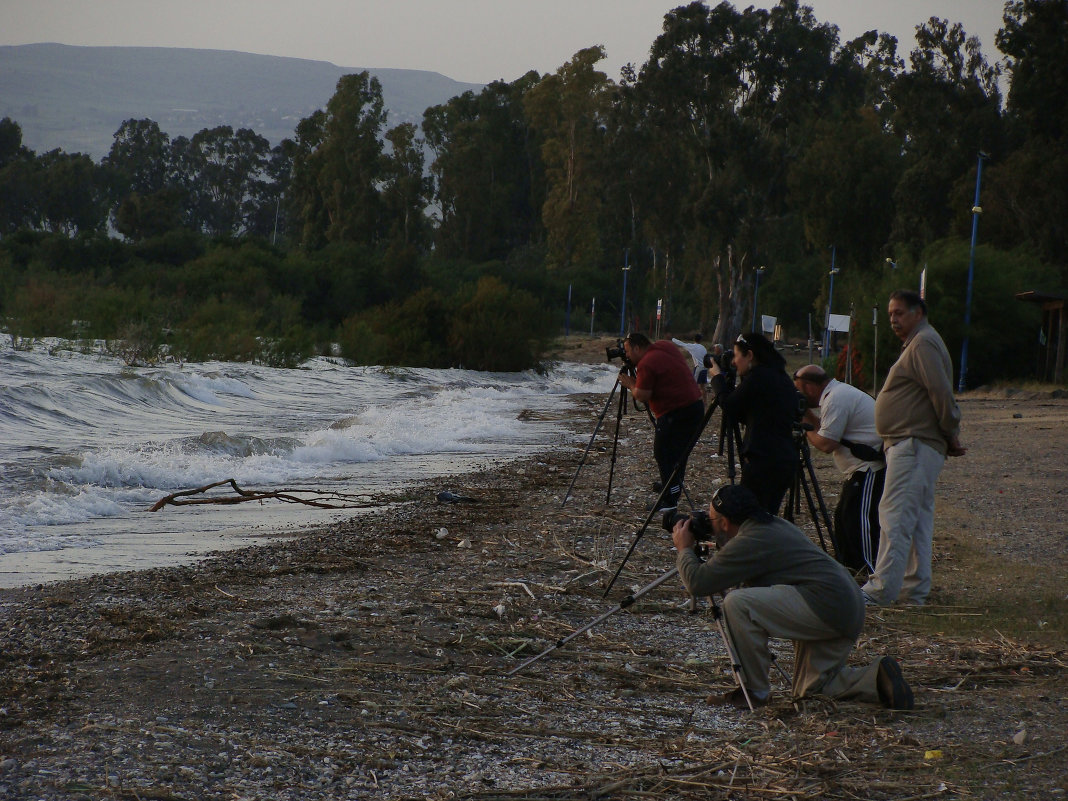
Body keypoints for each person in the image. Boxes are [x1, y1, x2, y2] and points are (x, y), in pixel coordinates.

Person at [671, 484, 914, 710]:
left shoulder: (751, 540)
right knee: (809, 692)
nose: (707, 524)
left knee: (737, 604)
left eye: (710, 519)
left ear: (724, 523)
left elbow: (697, 583)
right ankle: (877, 678)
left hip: (826, 603)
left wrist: (684, 549)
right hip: (845, 605)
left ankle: (753, 692)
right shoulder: (771, 526)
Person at [862, 290, 967, 607]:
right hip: (914, 443)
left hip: (914, 443)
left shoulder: (923, 343)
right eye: (891, 313)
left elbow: (940, 392)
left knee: (895, 516)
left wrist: (951, 430)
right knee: (917, 519)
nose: (893, 318)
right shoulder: (920, 342)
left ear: (918, 313)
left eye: (899, 313)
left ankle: (882, 590)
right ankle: (913, 590)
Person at [793, 365, 885, 575]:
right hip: (859, 470)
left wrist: (803, 424)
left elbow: (826, 443)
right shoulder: (836, 393)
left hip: (868, 469)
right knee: (844, 519)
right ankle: (851, 570)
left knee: (858, 524)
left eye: (799, 390)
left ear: (809, 386)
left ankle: (869, 574)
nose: (800, 395)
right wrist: (805, 414)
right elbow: (822, 427)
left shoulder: (836, 398)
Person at [707, 331, 800, 514]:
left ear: (749, 355)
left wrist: (717, 377)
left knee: (752, 519)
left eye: (736, 356)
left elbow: (729, 405)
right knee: (766, 516)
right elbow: (752, 414)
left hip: (764, 461)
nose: (733, 362)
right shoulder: (778, 376)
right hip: (782, 459)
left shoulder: (759, 377)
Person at [617, 332, 704, 511]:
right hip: (695, 407)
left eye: (627, 351)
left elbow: (642, 395)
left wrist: (631, 384)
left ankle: (669, 500)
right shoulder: (665, 346)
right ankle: (670, 485)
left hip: (677, 413)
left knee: (664, 453)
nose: (626, 355)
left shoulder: (647, 363)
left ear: (637, 348)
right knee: (678, 453)